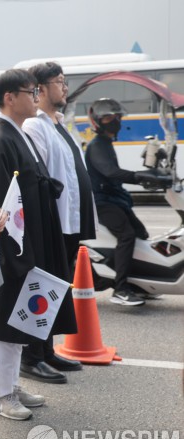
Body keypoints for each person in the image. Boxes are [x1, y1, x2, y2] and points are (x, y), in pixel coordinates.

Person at [0, 69, 76, 420]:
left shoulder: (19, 134)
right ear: (9, 97)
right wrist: (10, 254)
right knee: (7, 321)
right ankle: (3, 394)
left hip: (30, 245)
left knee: (22, 320)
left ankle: (12, 385)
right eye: (29, 92)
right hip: (13, 250)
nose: (35, 98)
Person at [20, 62, 94, 382]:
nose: (64, 87)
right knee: (43, 287)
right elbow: (38, 176)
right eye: (59, 82)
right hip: (53, 221)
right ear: (40, 88)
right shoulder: (34, 126)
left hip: (69, 220)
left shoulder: (59, 123)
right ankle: (31, 356)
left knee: (58, 288)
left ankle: (47, 350)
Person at [85, 98, 151, 306]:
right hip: (103, 202)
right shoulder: (97, 145)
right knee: (127, 235)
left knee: (141, 234)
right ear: (97, 121)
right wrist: (139, 177)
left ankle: (139, 284)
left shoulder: (106, 143)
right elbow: (110, 172)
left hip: (115, 199)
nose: (114, 121)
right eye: (108, 118)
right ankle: (120, 289)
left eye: (117, 117)